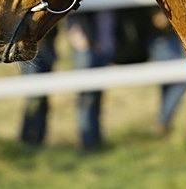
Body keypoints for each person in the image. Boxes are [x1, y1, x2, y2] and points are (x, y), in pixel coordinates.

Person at [19, 11, 116, 150]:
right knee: (36, 95)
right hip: (40, 36)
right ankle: (31, 141)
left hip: (78, 34)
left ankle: (90, 141)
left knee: (89, 93)